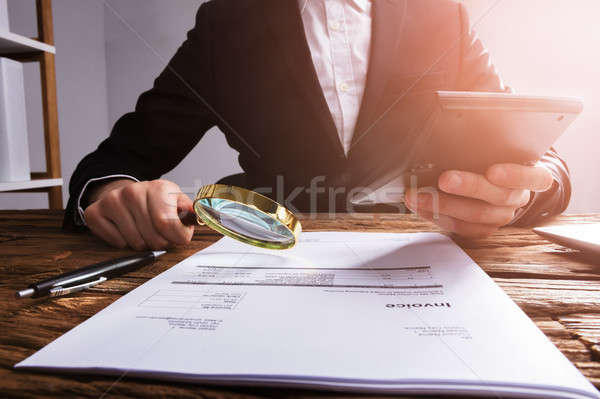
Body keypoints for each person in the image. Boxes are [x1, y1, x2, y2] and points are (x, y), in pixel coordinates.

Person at [64, 0, 570, 250]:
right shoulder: (228, 21)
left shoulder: (442, 13)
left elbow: (529, 154)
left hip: (434, 249)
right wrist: (113, 193)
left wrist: (526, 191)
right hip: (270, 249)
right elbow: (114, 163)